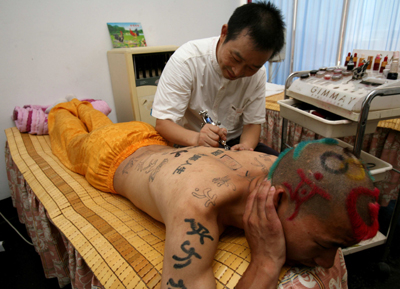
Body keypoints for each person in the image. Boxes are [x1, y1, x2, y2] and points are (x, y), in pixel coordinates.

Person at [49, 99, 380, 289]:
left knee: (100, 119)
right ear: (277, 200)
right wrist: (265, 262)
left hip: (148, 138)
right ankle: (67, 106)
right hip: (107, 157)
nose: (328, 261)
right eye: (325, 245)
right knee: (67, 123)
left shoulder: (279, 166)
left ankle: (91, 107)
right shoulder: (198, 202)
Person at [151, 1, 285, 155]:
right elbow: (163, 123)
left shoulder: (258, 74)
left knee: (277, 164)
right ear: (224, 33)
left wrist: (245, 147)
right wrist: (197, 139)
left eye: (251, 67)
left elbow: (252, 124)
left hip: (234, 143)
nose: (237, 71)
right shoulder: (187, 60)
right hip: (189, 141)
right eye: (235, 58)